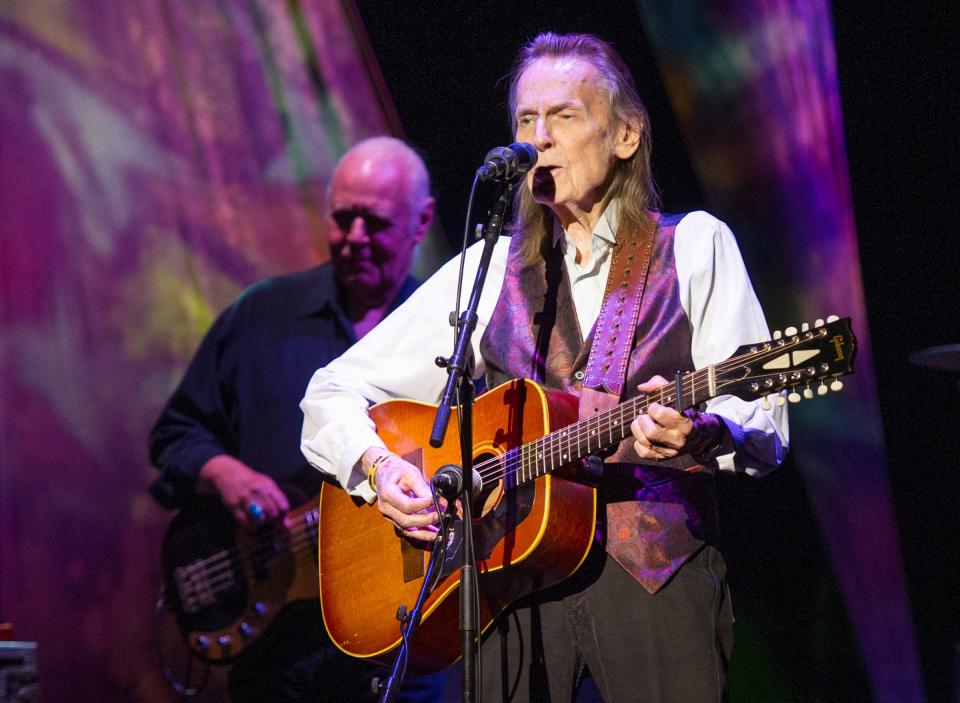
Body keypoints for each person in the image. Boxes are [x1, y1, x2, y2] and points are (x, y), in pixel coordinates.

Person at [301, 33, 788, 703]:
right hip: (507, 580)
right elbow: (331, 390)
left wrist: (705, 431)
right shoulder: (488, 269)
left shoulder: (694, 244)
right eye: (525, 121)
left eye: (563, 116)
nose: (539, 139)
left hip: (654, 575)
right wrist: (380, 468)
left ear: (625, 133)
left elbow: (760, 416)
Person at [149, 136, 448, 702]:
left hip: (401, 642)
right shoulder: (261, 314)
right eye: (342, 217)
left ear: (422, 221)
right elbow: (175, 433)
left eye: (376, 222)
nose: (355, 238)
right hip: (278, 654)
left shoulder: (448, 338)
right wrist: (223, 472)